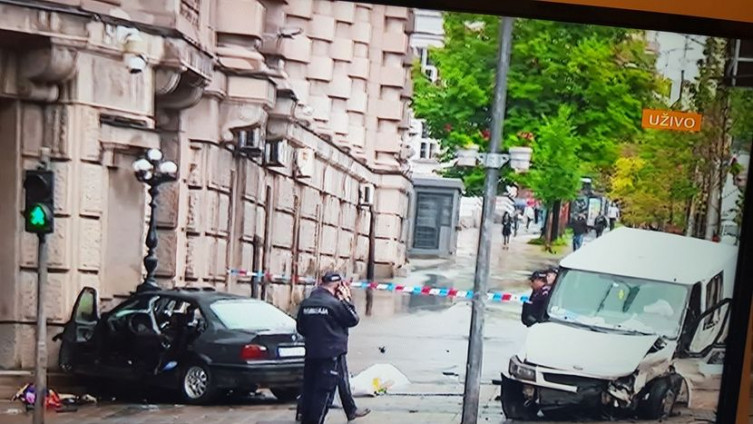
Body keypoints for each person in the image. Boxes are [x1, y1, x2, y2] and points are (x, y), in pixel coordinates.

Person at [296, 272, 370, 424]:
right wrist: (346, 299)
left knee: (310, 387)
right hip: (331, 354)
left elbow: (301, 328)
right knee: (323, 392)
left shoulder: (307, 303)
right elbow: (353, 319)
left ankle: (348, 410)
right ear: (337, 287)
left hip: (312, 352)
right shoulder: (334, 304)